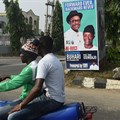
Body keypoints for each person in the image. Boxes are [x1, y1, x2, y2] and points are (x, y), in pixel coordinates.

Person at [8, 36, 65, 120]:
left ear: (40, 47)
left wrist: (21, 105)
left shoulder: (44, 62)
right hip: (57, 98)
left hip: (51, 100)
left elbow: (37, 88)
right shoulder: (55, 59)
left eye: (36, 46)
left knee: (12, 117)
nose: (35, 48)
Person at [0, 39, 39, 120]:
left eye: (22, 53)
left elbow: (12, 84)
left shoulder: (29, 69)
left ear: (28, 54)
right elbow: (22, 78)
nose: (20, 55)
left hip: (27, 99)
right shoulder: (34, 66)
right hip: (28, 98)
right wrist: (9, 76)